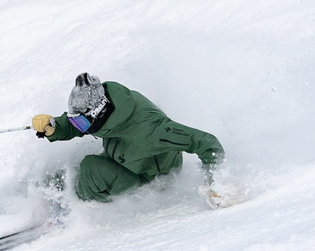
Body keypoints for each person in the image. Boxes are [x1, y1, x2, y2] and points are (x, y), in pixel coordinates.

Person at [32, 73, 230, 206]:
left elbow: (207, 143)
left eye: (81, 125)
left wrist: (216, 184)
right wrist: (55, 127)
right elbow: (77, 121)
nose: (79, 129)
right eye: (76, 124)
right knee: (66, 171)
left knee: (90, 168)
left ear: (100, 113)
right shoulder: (109, 109)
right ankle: (37, 199)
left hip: (149, 182)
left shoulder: (152, 129)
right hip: (126, 159)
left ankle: (71, 207)